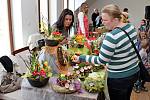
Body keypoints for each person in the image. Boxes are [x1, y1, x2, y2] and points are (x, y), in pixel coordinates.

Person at [72, 4, 139, 100]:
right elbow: (128, 50)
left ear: (115, 20)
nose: (102, 22)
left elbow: (101, 60)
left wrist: (81, 57)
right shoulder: (130, 27)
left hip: (119, 79)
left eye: (105, 20)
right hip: (133, 72)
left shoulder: (111, 36)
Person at [39, 8, 74, 74]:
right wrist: (62, 42)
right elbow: (50, 44)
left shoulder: (66, 27)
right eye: (66, 19)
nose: (68, 21)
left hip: (59, 52)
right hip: (50, 55)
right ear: (62, 18)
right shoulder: (55, 27)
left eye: (70, 20)